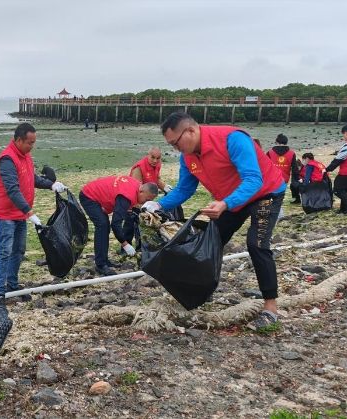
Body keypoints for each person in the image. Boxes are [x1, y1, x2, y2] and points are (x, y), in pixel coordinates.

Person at [143, 112, 286, 331]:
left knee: (256, 244)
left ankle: (270, 307)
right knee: (209, 240)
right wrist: (159, 205)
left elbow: (253, 179)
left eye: (176, 142)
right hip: (232, 200)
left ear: (191, 130)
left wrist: (225, 204)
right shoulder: (188, 156)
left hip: (265, 193)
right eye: (171, 145)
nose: (175, 149)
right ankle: (201, 292)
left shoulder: (232, 139)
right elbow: (184, 189)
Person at [0, 123, 66, 305]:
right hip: (6, 213)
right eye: (29, 142)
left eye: (33, 142)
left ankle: (12, 284)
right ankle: (0, 291)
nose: (32, 146)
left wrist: (50, 184)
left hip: (20, 214)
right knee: (5, 250)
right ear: (18, 140)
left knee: (19, 249)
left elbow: (31, 178)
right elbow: (12, 189)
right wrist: (29, 212)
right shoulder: (7, 159)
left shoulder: (26, 156)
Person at [79, 176, 158, 275]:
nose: (145, 203)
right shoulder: (126, 196)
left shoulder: (137, 186)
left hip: (98, 194)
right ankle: (100, 265)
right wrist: (125, 244)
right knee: (102, 225)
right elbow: (116, 224)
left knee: (104, 225)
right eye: (146, 199)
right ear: (141, 191)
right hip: (88, 195)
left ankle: (104, 260)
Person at [266, 134, 300, 203]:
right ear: (286, 142)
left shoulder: (270, 152)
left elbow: (265, 166)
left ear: (277, 142)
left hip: (272, 179)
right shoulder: (291, 153)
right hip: (284, 179)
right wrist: (295, 181)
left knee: (272, 197)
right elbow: (295, 169)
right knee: (279, 199)